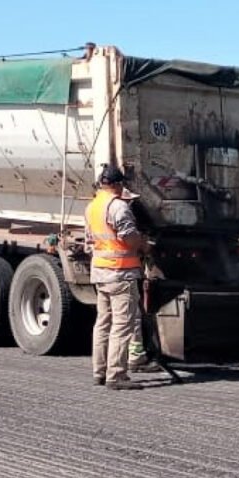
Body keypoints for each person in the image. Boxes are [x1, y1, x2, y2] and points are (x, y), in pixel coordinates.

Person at [85, 164, 150, 390]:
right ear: (117, 184)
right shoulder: (118, 207)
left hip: (101, 273)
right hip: (120, 273)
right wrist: (144, 245)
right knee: (122, 325)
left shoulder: (93, 207)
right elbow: (129, 239)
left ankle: (99, 372)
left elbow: (92, 239)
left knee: (103, 323)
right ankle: (116, 376)